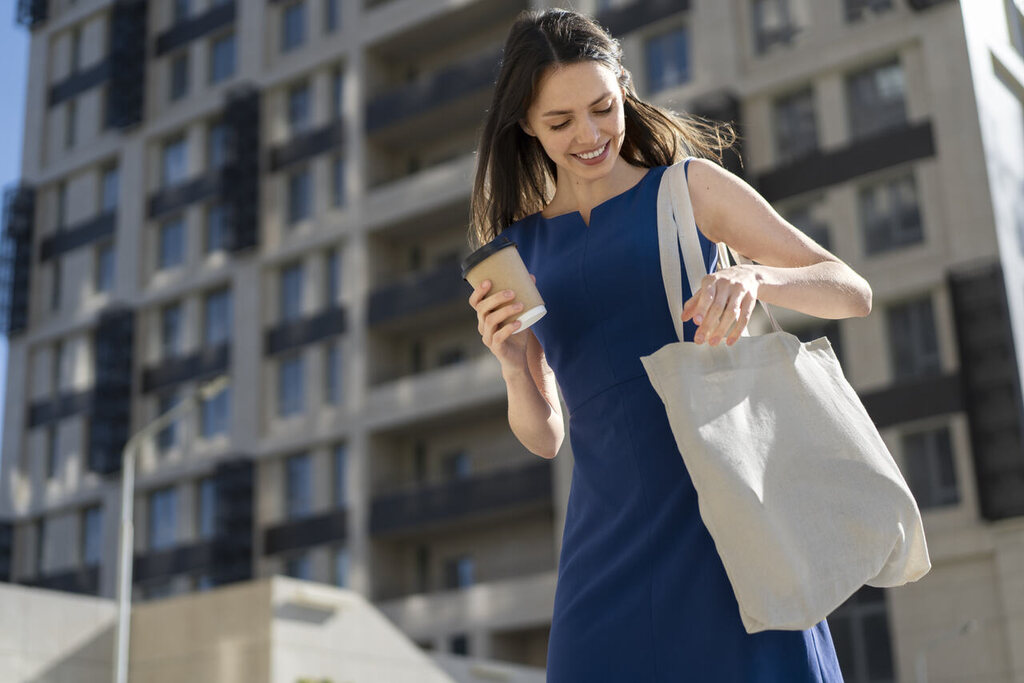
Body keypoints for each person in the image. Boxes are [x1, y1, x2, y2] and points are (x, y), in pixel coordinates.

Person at [466, 8, 871, 682]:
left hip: (730, 525)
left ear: (624, 87)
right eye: (561, 122)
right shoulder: (519, 249)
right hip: (604, 545)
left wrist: (753, 276)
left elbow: (849, 289)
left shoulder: (689, 189)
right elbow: (546, 436)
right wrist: (513, 366)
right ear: (527, 126)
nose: (590, 134)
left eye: (602, 106)